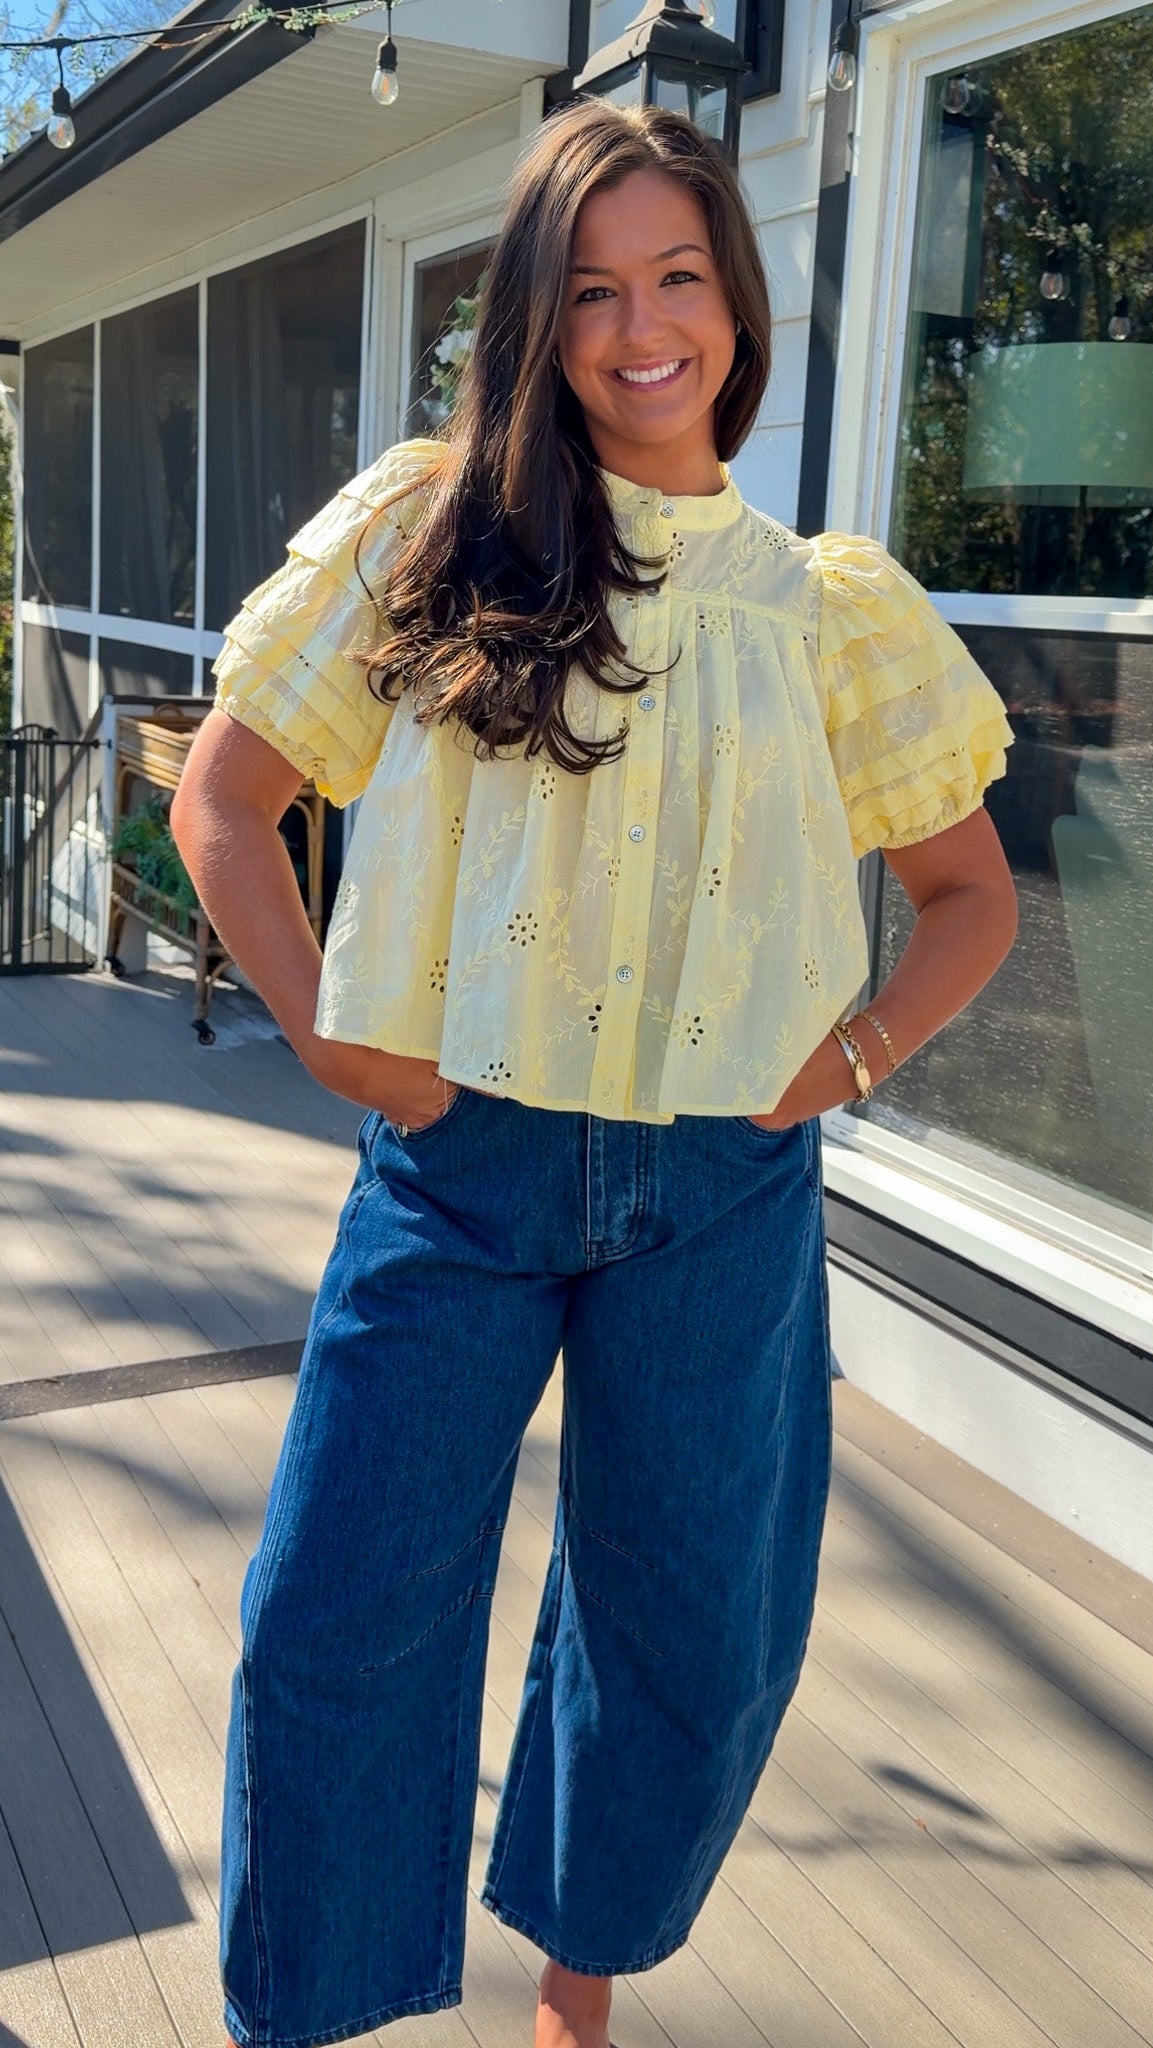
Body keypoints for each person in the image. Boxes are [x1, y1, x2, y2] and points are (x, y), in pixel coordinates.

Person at [171, 97, 1017, 2048]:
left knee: (683, 1644)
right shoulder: (435, 526)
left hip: (720, 1191)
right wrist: (332, 1038)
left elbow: (963, 891)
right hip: (459, 1172)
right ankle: (303, 2011)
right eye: (592, 291)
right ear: (537, 321)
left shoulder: (828, 610)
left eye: (679, 278)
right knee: (333, 1624)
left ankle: (577, 2002)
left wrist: (856, 1052)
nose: (642, 330)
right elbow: (228, 798)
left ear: (735, 294)